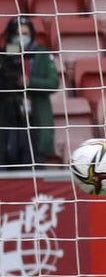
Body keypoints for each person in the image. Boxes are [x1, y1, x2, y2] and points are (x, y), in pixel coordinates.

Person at [1, 16, 59, 166]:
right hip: (9, 118)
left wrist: (29, 82)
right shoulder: (5, 53)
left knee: (35, 163)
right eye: (17, 34)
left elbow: (53, 83)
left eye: (25, 33)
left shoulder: (41, 53)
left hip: (36, 118)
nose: (21, 38)